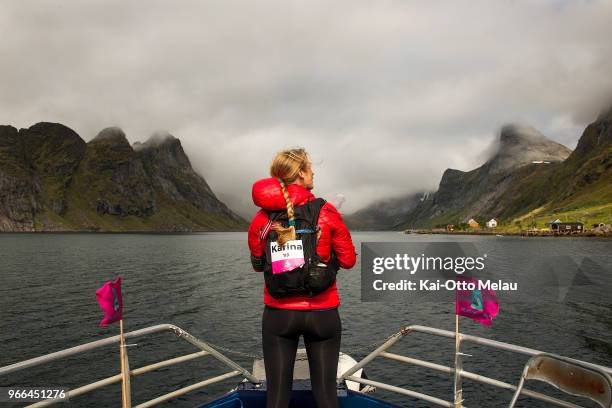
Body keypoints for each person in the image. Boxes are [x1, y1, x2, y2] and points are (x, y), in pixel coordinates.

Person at [248, 148, 356, 408]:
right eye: (309, 168)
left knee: (276, 396)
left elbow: (257, 264)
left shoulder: (261, 220)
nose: (314, 172)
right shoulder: (327, 212)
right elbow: (349, 261)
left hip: (278, 316)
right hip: (323, 314)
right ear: (300, 173)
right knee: (327, 394)